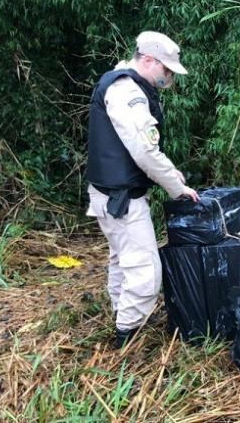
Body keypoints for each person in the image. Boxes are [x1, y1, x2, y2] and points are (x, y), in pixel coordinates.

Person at [85, 31, 199, 348]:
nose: (170, 79)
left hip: (110, 194)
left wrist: (169, 171)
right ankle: (126, 339)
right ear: (148, 60)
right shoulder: (128, 92)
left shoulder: (118, 82)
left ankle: (122, 316)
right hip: (122, 199)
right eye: (167, 71)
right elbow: (145, 151)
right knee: (147, 274)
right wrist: (177, 187)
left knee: (123, 262)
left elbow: (133, 149)